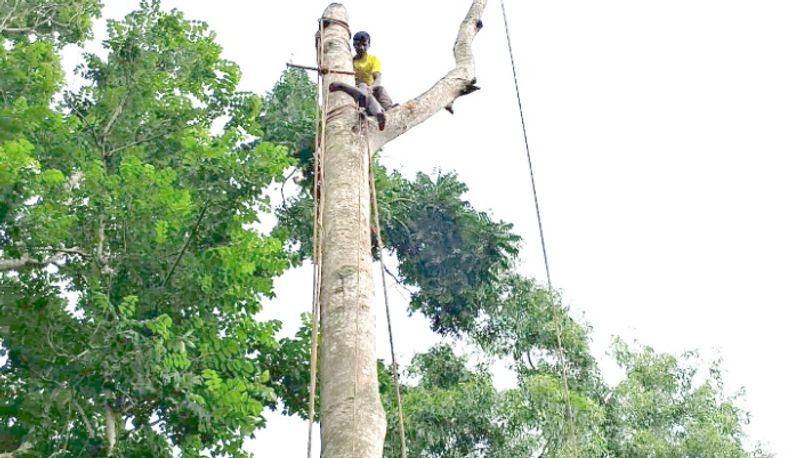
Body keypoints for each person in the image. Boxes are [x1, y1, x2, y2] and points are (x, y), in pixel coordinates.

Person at [329, 30, 394, 129]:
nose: (361, 48)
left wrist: (372, 87)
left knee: (380, 89)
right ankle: (377, 114)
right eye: (358, 45)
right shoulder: (350, 61)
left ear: (369, 45)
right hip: (359, 91)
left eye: (364, 45)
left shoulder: (373, 59)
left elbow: (378, 78)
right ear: (354, 45)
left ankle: (388, 109)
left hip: (371, 88)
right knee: (364, 88)